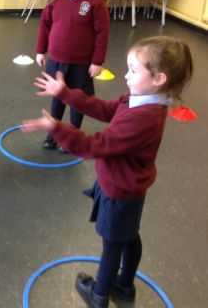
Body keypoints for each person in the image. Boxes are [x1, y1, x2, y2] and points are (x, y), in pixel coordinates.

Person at [22, 36, 193, 307]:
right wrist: (65, 93)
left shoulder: (143, 118)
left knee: (113, 244)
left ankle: (99, 294)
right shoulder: (140, 99)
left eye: (133, 70)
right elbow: (104, 109)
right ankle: (124, 285)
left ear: (159, 78)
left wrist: (57, 128)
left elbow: (95, 145)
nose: (126, 76)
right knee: (129, 237)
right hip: (127, 187)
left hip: (119, 191)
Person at [35, 0, 110, 153]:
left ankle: (72, 136)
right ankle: (54, 133)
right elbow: (45, 24)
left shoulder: (95, 3)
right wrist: (41, 50)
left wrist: (97, 61)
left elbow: (102, 34)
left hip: (81, 64)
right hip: (57, 61)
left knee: (78, 100)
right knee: (57, 97)